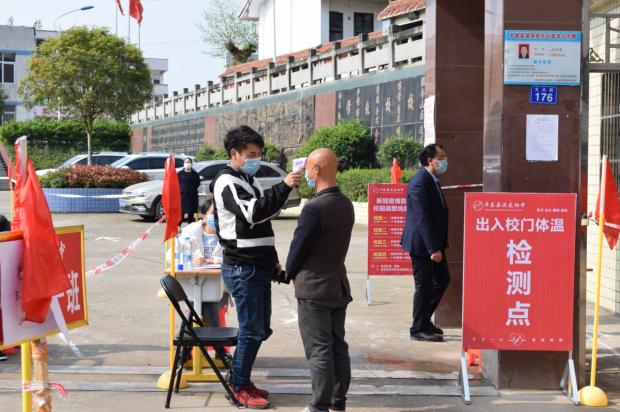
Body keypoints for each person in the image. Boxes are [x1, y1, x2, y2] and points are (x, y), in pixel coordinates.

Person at [211, 125, 301, 409]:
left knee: (260, 329)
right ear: (233, 153)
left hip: (258, 265)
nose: (256, 159)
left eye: (259, 154)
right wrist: (284, 185)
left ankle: (241, 378)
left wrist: (273, 261)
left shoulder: (248, 180)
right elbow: (253, 213)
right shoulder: (227, 182)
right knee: (251, 330)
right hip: (243, 268)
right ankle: (238, 386)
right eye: (251, 154)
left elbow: (264, 225)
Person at [286, 148, 354, 412]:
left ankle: (319, 405)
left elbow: (298, 249)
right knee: (338, 345)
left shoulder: (315, 208)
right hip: (337, 285)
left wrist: (285, 273)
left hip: (314, 288)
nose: (307, 175)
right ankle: (338, 402)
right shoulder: (345, 203)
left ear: (316, 170)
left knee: (319, 350)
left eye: (308, 170)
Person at [400, 143, 450, 343]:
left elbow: (438, 214)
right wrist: (433, 248)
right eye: (442, 156)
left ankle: (423, 319)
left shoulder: (432, 180)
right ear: (430, 160)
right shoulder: (420, 182)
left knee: (442, 279)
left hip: (434, 243)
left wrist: (442, 242)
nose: (445, 160)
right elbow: (423, 218)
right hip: (422, 246)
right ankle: (417, 328)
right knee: (424, 286)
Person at [177, 200, 228, 327]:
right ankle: (187, 344)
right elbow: (176, 255)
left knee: (209, 307)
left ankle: (216, 344)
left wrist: (215, 260)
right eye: (213, 213)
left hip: (219, 287)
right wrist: (191, 259)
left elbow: (237, 259)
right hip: (192, 284)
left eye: (220, 213)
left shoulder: (229, 235)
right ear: (204, 216)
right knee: (192, 308)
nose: (217, 216)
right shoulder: (190, 231)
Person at [178, 157, 201, 226]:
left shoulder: (195, 174)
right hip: (182, 196)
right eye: (186, 162)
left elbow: (198, 183)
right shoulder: (180, 173)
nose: (187, 164)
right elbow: (177, 183)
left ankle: (190, 226)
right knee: (181, 212)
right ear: (184, 164)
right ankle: (178, 226)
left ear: (191, 163)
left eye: (189, 162)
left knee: (191, 213)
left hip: (192, 196)